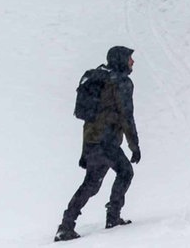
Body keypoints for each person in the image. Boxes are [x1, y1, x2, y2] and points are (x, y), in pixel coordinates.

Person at [55, 46, 140, 242]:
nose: (132, 62)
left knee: (92, 183)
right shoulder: (121, 82)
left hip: (91, 140)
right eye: (129, 58)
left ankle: (66, 225)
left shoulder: (97, 76)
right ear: (120, 60)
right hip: (107, 140)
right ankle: (113, 217)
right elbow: (127, 116)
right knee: (125, 172)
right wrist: (134, 146)